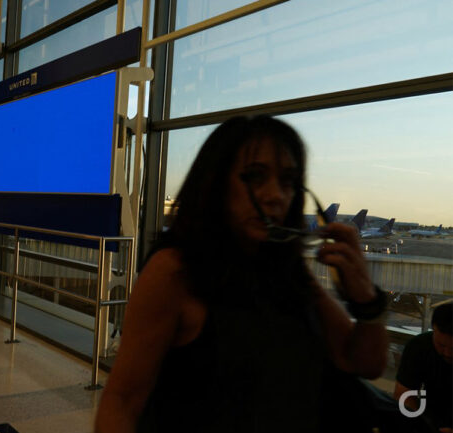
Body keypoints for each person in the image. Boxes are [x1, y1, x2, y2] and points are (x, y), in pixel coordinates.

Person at [95, 115, 388, 433]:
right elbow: (122, 400)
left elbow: (364, 363)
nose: (275, 195)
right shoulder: (175, 272)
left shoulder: (290, 272)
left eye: (287, 181)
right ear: (216, 184)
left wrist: (366, 300)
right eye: (254, 177)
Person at [394, 302, 453, 432]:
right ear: (433, 329)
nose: (448, 353)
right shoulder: (420, 346)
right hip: (430, 420)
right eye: (441, 345)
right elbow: (405, 394)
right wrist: (417, 426)